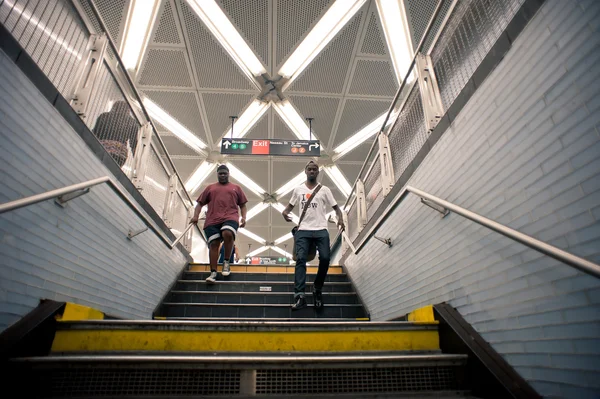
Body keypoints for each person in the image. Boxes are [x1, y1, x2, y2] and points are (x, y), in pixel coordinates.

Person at [281, 160, 345, 310]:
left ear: (318, 172)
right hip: (303, 230)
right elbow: (289, 207)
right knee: (301, 259)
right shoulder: (298, 190)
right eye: (309, 169)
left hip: (321, 229)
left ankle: (317, 288)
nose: (311, 171)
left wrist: (340, 218)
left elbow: (336, 208)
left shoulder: (325, 190)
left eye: (314, 169)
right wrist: (284, 213)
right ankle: (300, 296)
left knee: (325, 258)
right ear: (305, 171)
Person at [190, 165, 247, 283]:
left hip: (230, 216)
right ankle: (213, 272)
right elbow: (199, 203)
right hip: (212, 219)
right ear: (217, 174)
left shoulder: (236, 188)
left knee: (227, 233)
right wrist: (195, 216)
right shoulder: (210, 188)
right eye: (220, 173)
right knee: (214, 244)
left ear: (228, 174)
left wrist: (244, 218)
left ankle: (226, 262)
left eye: (224, 173)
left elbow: (242, 205)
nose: (222, 175)